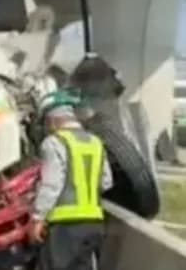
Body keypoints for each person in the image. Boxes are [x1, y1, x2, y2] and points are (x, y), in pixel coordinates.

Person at [28, 89, 114, 270]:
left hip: (65, 227)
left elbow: (51, 185)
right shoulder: (96, 142)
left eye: (46, 122)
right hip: (95, 225)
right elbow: (106, 181)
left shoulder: (54, 142)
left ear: (52, 119)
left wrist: (37, 219)